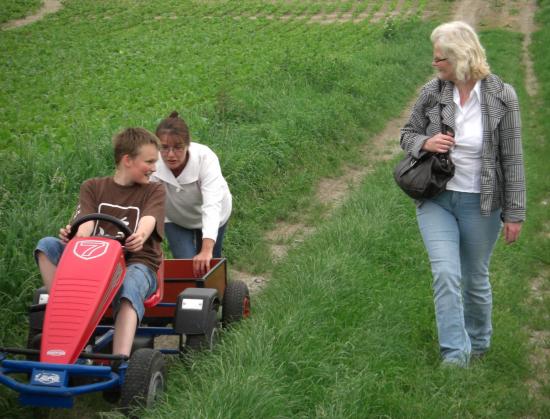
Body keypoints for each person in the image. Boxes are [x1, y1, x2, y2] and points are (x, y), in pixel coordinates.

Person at [400, 21, 526, 367]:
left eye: (439, 58)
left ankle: (480, 342)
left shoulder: (503, 96)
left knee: (473, 278)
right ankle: (455, 355)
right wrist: (425, 142)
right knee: (445, 274)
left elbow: (512, 157)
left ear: (460, 57)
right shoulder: (433, 91)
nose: (434, 64)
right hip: (436, 198)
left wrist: (514, 213)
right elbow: (406, 133)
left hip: (481, 203)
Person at [34, 127, 165, 358]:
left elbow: (148, 221)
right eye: (150, 161)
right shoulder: (93, 187)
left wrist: (139, 237)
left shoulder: (154, 190)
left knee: (128, 287)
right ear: (127, 160)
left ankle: (119, 361)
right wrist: (74, 237)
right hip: (94, 265)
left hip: (137, 263)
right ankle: (66, 315)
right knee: (47, 245)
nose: (155, 168)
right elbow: (85, 225)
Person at [151, 111, 232, 276]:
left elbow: (211, 205)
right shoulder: (152, 163)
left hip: (213, 214)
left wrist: (206, 250)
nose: (171, 155)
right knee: (186, 266)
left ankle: (216, 299)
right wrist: (154, 248)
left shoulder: (205, 158)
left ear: (188, 145)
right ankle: (191, 300)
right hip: (175, 218)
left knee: (209, 264)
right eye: (164, 148)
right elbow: (151, 208)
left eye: (178, 147)